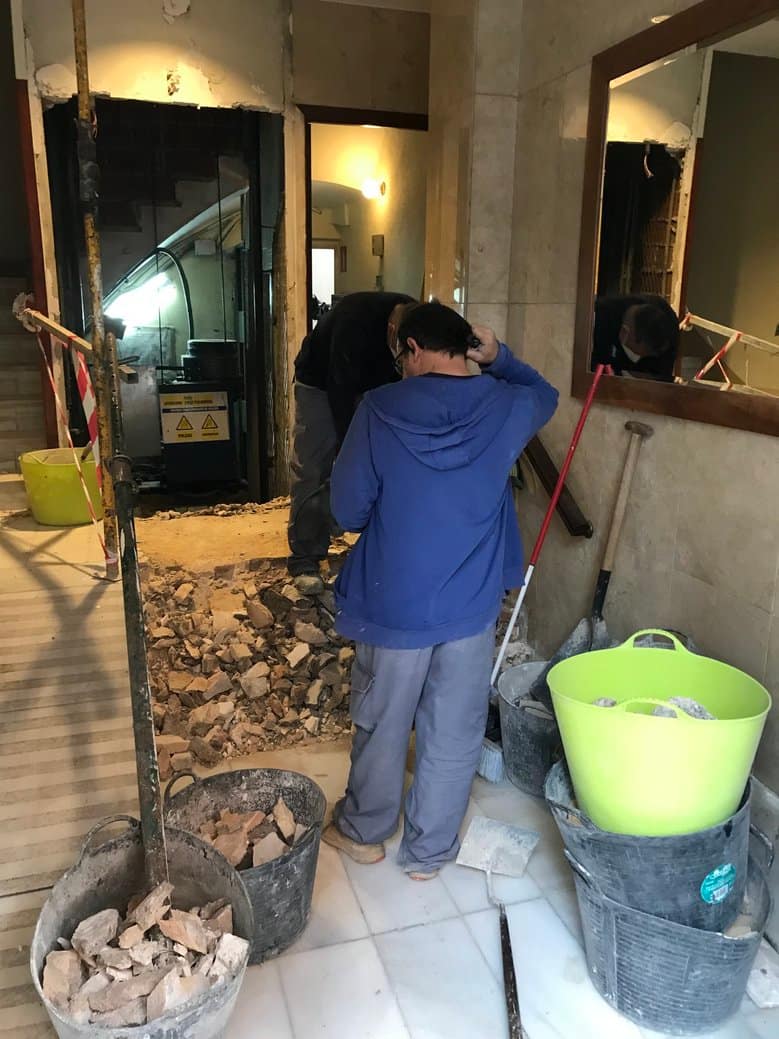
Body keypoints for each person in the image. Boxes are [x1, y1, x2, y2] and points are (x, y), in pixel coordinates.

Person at [321, 302, 558, 878]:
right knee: (453, 730)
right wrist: (498, 357)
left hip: (394, 602)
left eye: (402, 354)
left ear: (412, 349)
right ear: (464, 347)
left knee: (382, 722)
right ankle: (428, 854)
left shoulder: (378, 409)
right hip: (470, 604)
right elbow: (545, 393)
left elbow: (347, 512)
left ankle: (365, 832)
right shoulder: (505, 404)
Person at [287, 291, 415, 583]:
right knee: (313, 467)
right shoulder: (354, 320)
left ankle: (374, 548)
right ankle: (305, 557)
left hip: (370, 387)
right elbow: (340, 390)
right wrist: (349, 451)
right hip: (320, 383)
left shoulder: (416, 318)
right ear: (391, 331)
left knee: (385, 465)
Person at [592, 293, 679, 381]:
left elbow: (661, 381)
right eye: (636, 353)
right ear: (624, 334)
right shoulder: (599, 316)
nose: (639, 357)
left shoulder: (668, 325)